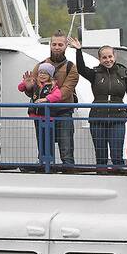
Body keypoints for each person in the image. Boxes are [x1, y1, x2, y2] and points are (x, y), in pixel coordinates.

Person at [71, 38, 127, 171]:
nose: (108, 60)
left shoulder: (123, 74)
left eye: (110, 56)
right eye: (104, 57)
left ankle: (118, 182)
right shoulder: (95, 73)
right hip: (98, 118)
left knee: (117, 155)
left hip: (117, 120)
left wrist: (124, 113)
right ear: (100, 59)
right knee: (101, 156)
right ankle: (102, 178)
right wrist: (78, 50)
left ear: (114, 56)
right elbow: (81, 69)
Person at [37, 32, 80, 166]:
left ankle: (68, 167)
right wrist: (27, 86)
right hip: (44, 113)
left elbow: (67, 90)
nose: (56, 47)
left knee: (66, 145)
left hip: (64, 111)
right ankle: (44, 166)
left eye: (60, 44)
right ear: (50, 45)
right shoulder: (41, 65)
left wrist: (48, 99)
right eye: (54, 44)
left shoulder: (71, 67)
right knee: (44, 145)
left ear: (66, 46)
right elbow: (34, 87)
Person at [18, 62, 63, 165]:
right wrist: (25, 83)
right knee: (40, 138)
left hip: (48, 118)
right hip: (37, 117)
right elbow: (20, 88)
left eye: (45, 73)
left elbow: (58, 96)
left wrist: (45, 99)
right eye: (40, 73)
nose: (42, 75)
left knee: (48, 139)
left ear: (50, 76)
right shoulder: (34, 84)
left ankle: (49, 160)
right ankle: (41, 158)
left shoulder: (52, 86)